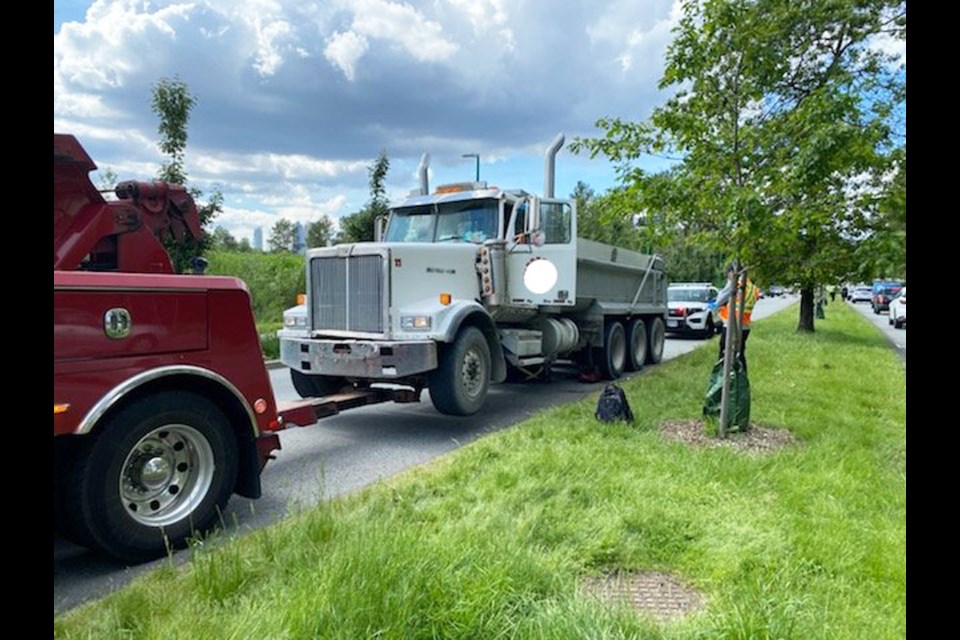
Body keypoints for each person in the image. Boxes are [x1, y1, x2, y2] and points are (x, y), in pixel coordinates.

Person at [711, 265, 759, 371]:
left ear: (733, 272)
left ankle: (723, 379)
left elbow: (721, 299)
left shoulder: (736, 283)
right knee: (740, 354)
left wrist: (715, 306)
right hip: (745, 326)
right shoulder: (753, 287)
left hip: (731, 325)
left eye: (728, 275)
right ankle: (741, 379)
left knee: (725, 353)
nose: (728, 278)